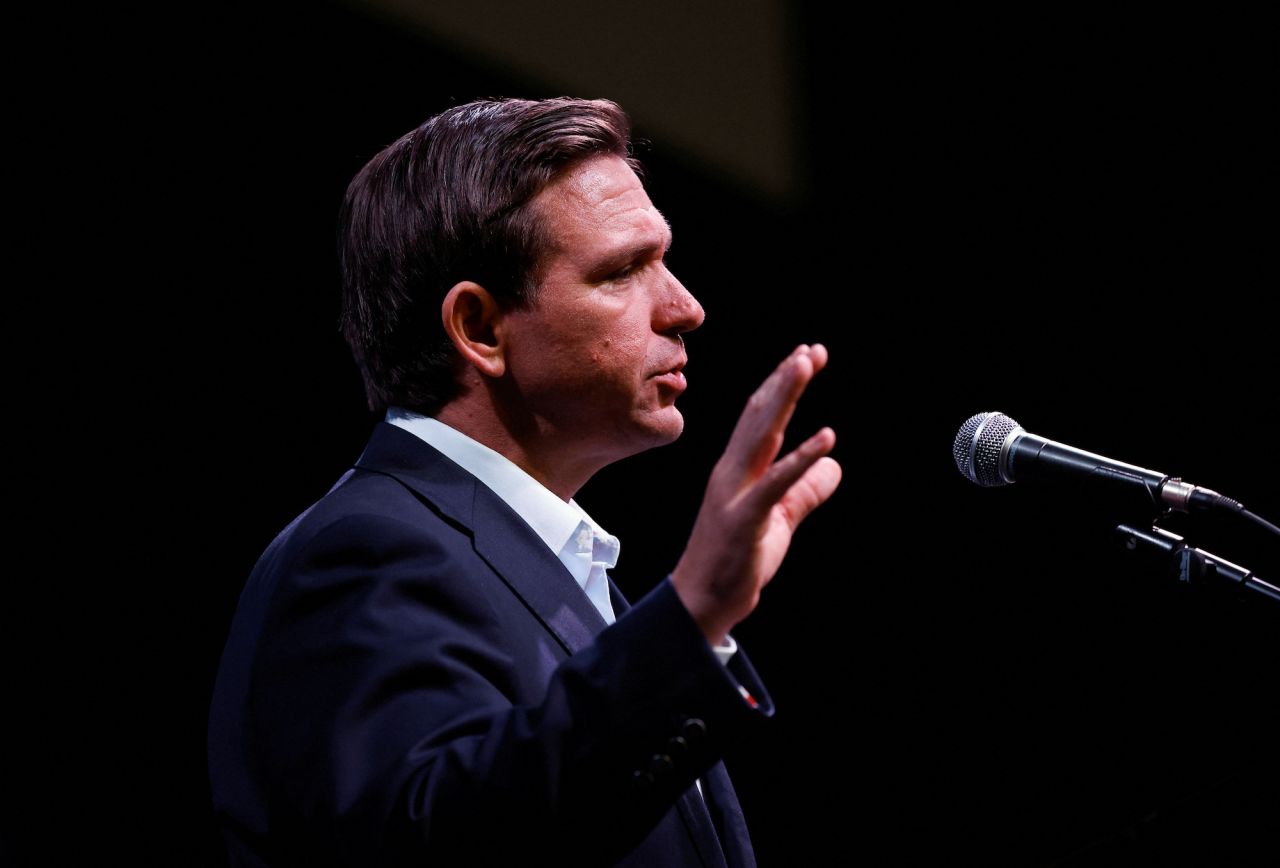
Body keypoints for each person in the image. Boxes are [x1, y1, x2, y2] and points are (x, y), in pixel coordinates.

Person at [208, 97, 841, 867]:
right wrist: (692, 615)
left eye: (665, 260)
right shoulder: (366, 553)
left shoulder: (559, 571)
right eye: (622, 271)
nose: (686, 308)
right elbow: (447, 841)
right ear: (479, 328)